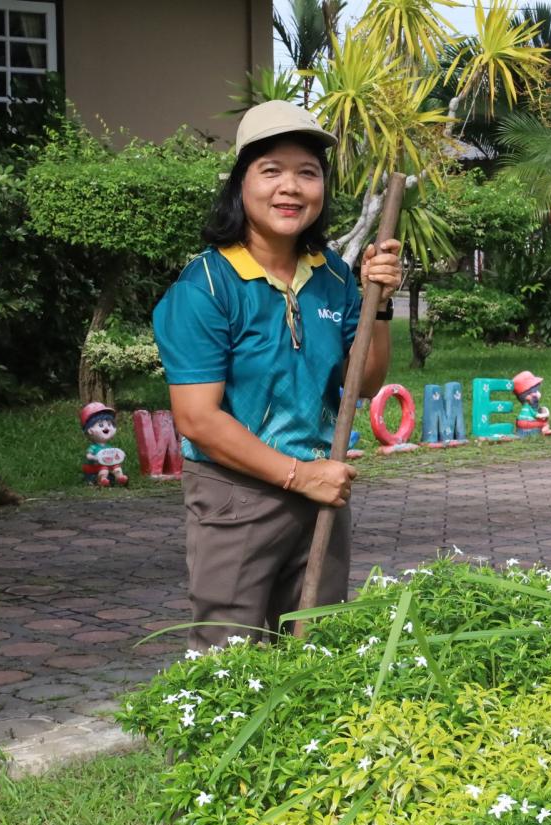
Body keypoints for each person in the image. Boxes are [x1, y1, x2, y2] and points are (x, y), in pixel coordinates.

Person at [152, 101, 402, 650]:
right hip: (237, 495)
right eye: (271, 171)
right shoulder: (207, 287)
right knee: (230, 659)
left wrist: (377, 304)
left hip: (320, 494)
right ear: (240, 183)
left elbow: (362, 381)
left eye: (307, 173)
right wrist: (298, 475)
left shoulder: (332, 275)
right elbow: (196, 419)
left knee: (315, 659)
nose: (290, 188)